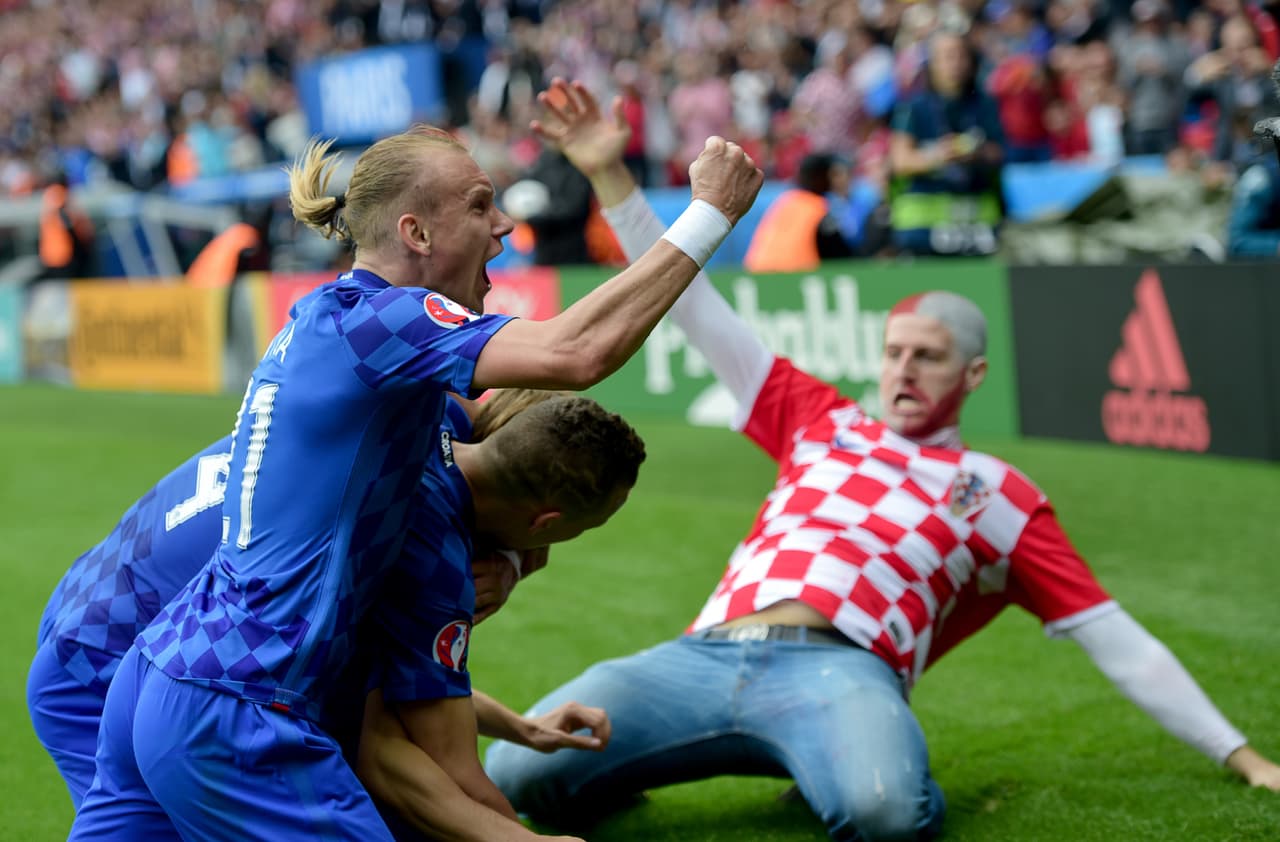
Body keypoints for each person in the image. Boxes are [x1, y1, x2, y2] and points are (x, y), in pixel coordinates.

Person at [484, 80, 1280, 842]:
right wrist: (606, 169)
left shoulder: (998, 494)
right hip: (705, 653)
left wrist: (1243, 758)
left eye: (927, 357)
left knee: (885, 814)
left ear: (972, 376)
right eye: (895, 351)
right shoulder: (814, 415)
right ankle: (659, 766)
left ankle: (842, 749)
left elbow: (1117, 639)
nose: (901, 370)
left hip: (841, 672)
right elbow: (689, 302)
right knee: (517, 769)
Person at [68, 118, 762, 842]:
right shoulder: (381, 323)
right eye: (479, 205)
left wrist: (517, 563)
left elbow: (509, 441)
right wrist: (710, 213)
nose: (504, 226)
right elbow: (576, 350)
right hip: (240, 698)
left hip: (163, 673)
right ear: (416, 234)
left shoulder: (342, 331)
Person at [31, 390, 619, 842]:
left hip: (105, 618)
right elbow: (387, 745)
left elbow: (383, 687)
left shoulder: (423, 415)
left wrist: (515, 725)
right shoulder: (415, 537)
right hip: (107, 668)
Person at [889, 31, 1005, 256]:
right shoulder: (914, 107)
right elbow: (900, 161)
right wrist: (939, 155)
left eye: (962, 56)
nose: (957, 63)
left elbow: (999, 152)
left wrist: (976, 154)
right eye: (948, 56)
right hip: (922, 228)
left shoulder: (984, 104)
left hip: (978, 222)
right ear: (932, 63)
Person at [742, 152, 855, 273]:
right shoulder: (816, 208)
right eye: (832, 174)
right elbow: (842, 256)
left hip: (757, 277)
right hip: (795, 280)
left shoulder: (785, 202)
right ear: (821, 177)